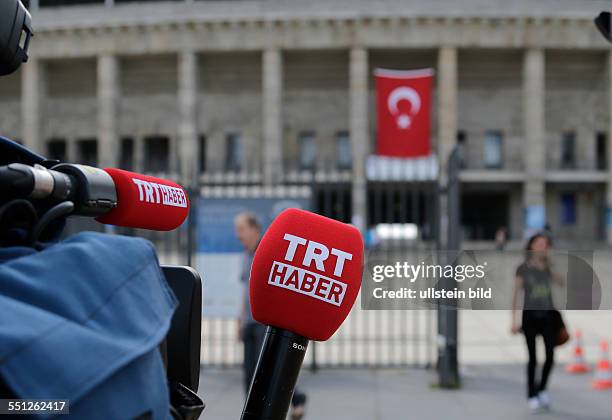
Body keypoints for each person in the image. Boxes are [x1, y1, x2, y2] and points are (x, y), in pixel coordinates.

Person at [234, 212, 307, 420]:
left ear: (255, 229)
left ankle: (296, 397)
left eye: (241, 229)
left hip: (264, 323)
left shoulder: (268, 252)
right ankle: (252, 411)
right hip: (249, 321)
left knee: (267, 370)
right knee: (250, 374)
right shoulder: (245, 255)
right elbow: (246, 292)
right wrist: (240, 319)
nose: (238, 235)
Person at [511, 233, 561, 413]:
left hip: (548, 317)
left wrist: (551, 262)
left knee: (550, 356)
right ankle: (531, 394)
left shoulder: (548, 267)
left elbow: (562, 283)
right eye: (539, 243)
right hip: (530, 317)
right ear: (531, 246)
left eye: (545, 244)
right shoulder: (522, 268)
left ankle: (542, 389)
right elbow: (516, 295)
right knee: (532, 358)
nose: (542, 247)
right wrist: (513, 320)